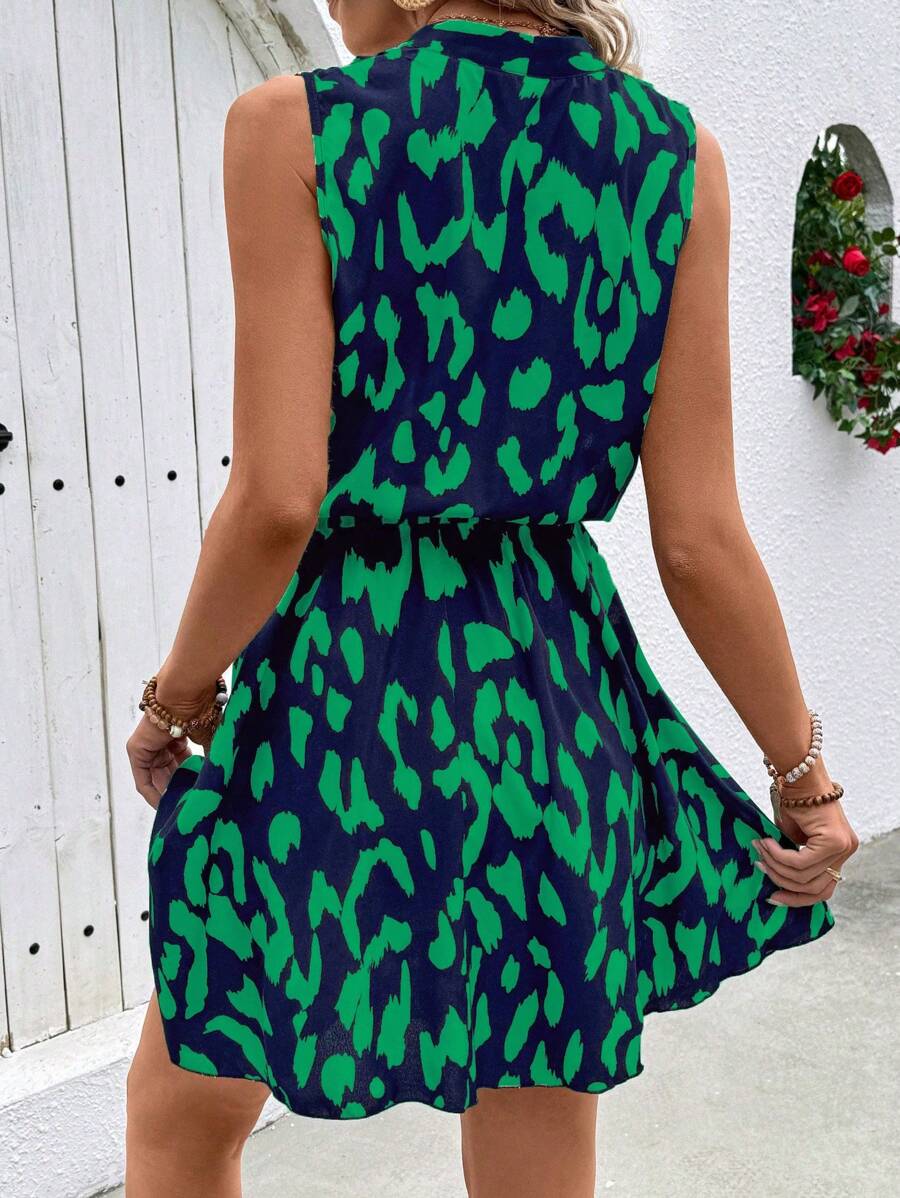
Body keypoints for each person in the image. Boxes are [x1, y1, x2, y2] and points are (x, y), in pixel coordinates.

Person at [124, 2, 860, 1195]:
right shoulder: (676, 158)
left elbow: (274, 503)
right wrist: (802, 778)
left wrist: (178, 697)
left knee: (184, 1107)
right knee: (534, 1133)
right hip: (550, 703)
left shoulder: (295, 129)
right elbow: (700, 540)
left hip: (345, 700)